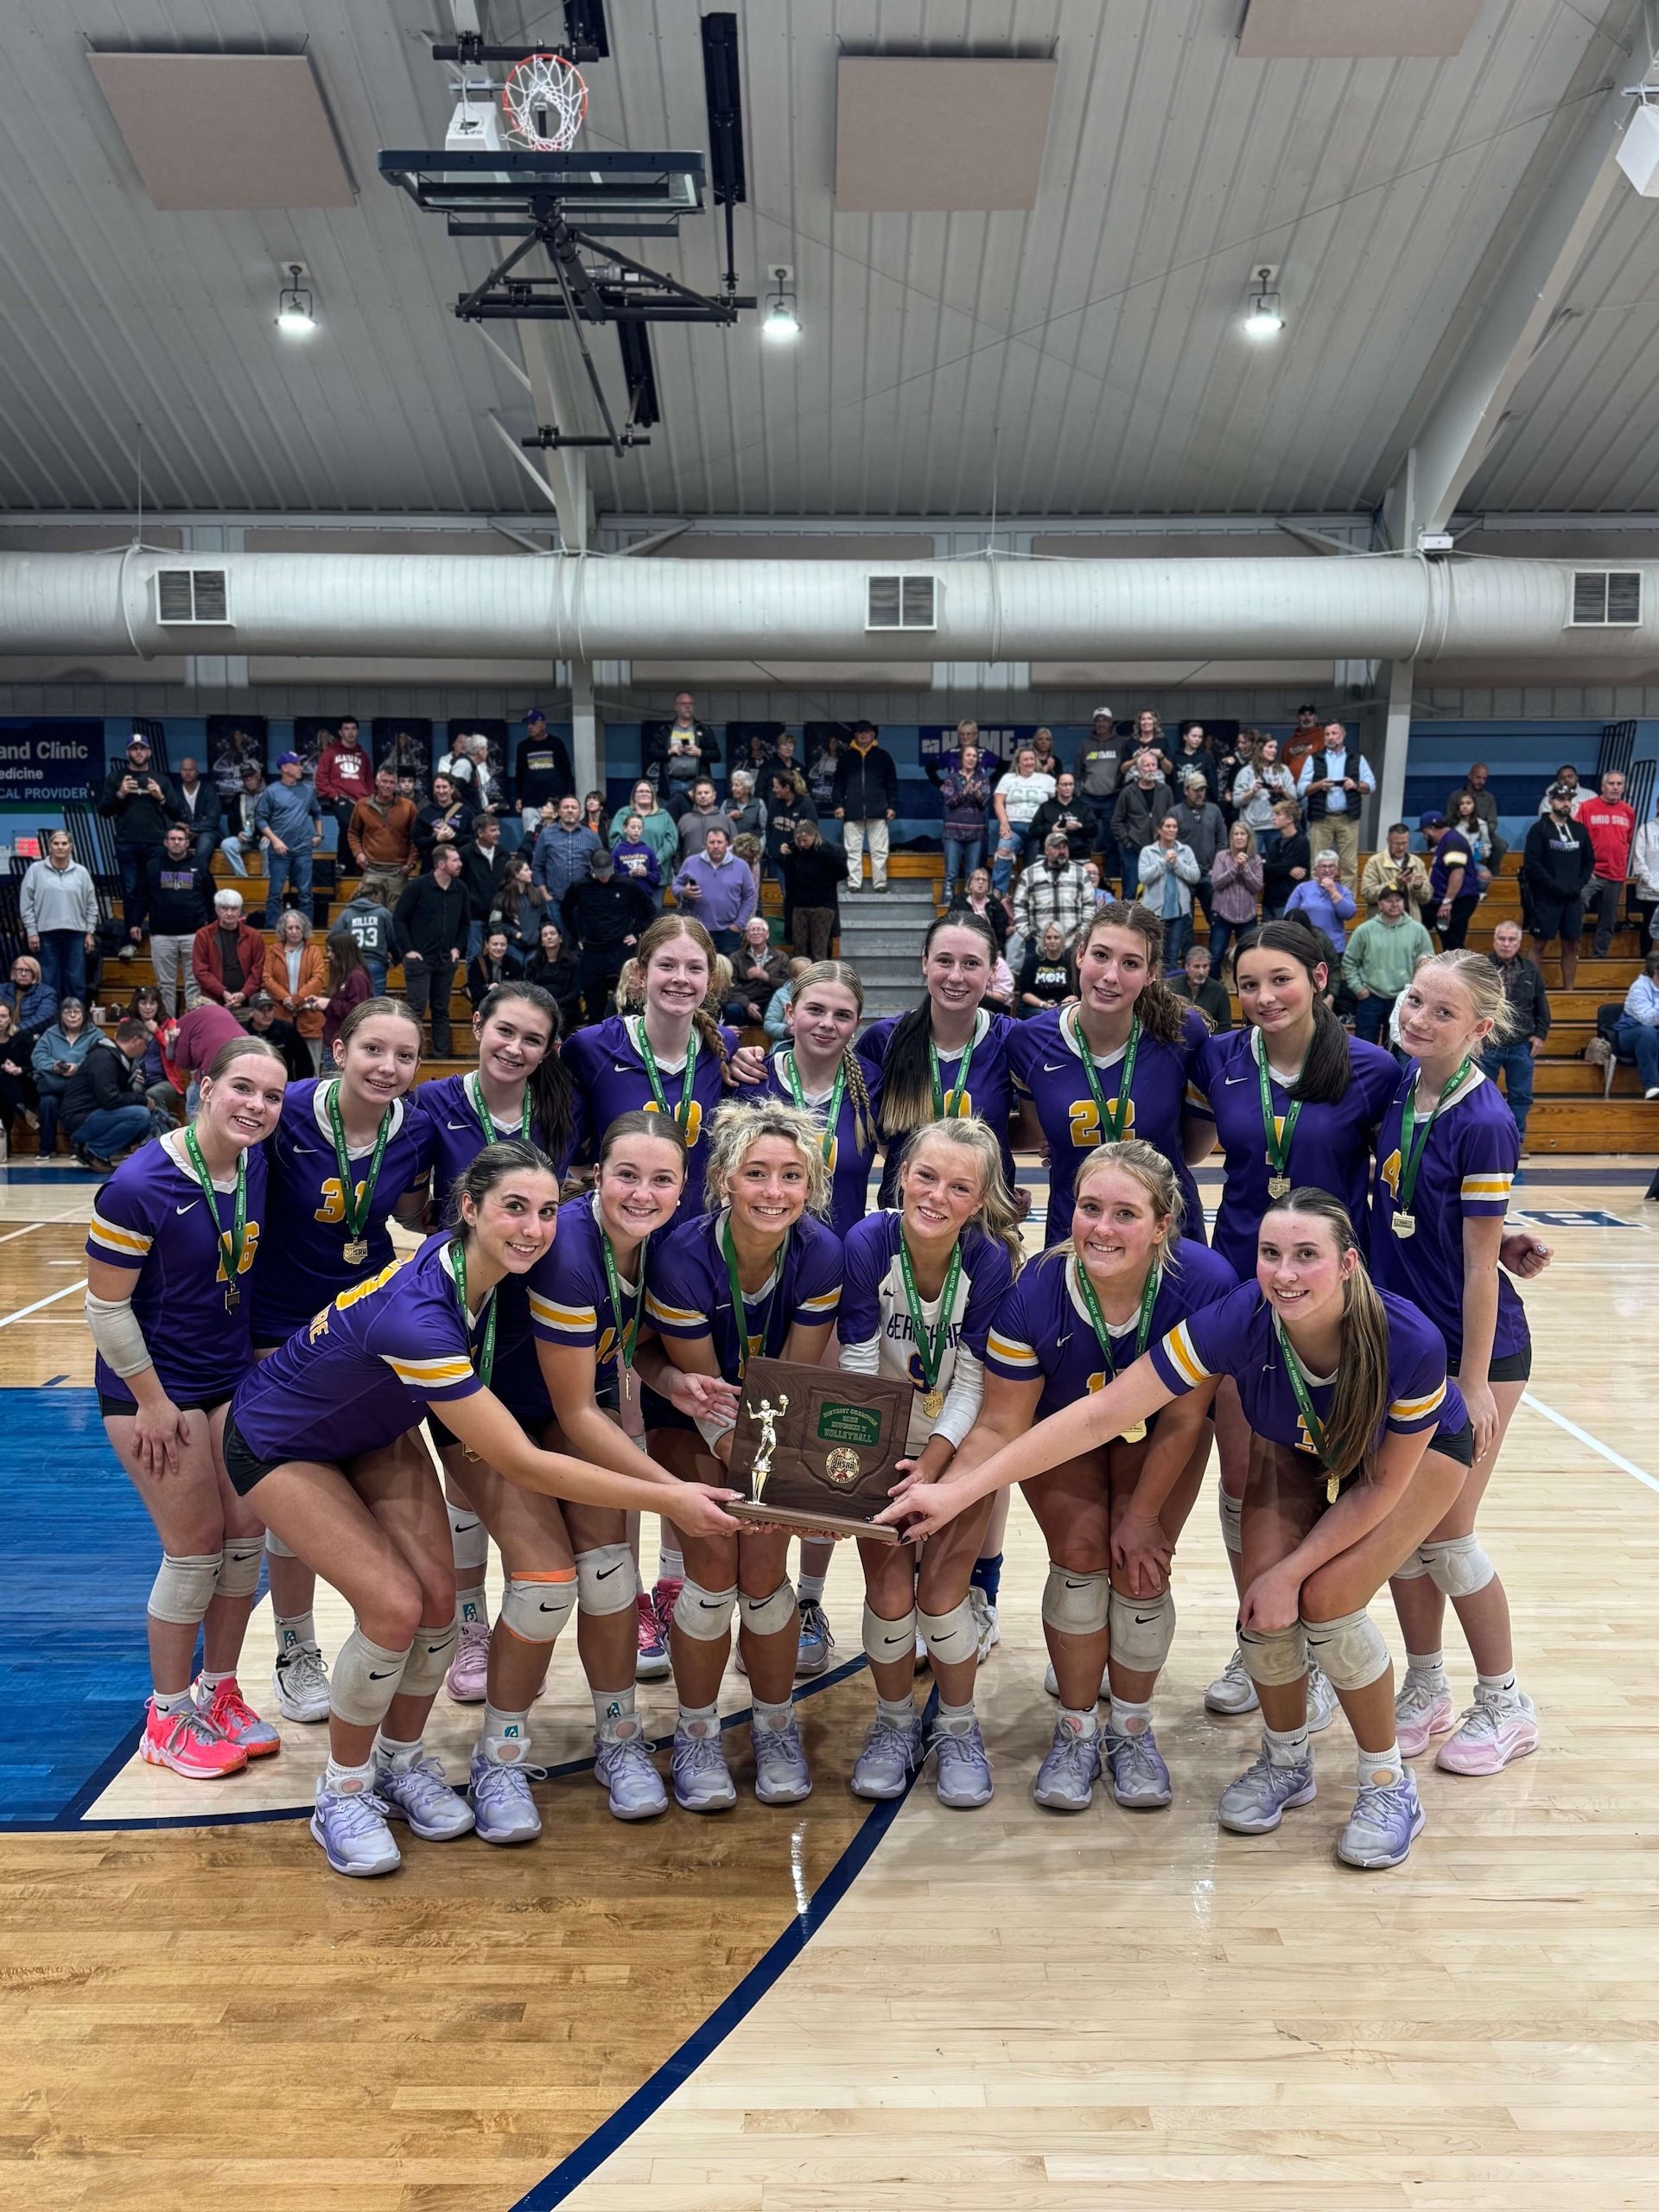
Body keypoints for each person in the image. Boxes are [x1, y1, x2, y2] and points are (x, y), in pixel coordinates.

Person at [892, 1188, 1475, 1872]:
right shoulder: (1237, 1319)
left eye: (1306, 1256)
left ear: (1348, 1265)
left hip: (1413, 1461)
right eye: (1270, 1254)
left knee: (1328, 1604)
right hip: (1292, 1446)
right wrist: (959, 1490)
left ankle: (1387, 1783)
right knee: (1262, 1614)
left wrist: (1294, 1572)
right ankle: (1288, 1761)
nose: (1284, 1272)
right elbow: (1099, 1415)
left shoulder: (1411, 1340)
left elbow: (1378, 1486)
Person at [227, 1139, 738, 1875]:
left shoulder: (475, 1261)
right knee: (395, 1608)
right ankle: (341, 1790)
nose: (532, 1227)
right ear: (468, 1209)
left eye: (542, 1211)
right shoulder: (420, 1319)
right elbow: (521, 1460)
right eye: (512, 1210)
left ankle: (401, 1763)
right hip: (280, 1439)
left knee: (439, 1610)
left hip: (375, 1427)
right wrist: (669, 1497)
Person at [444, 1114, 719, 1833]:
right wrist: (669, 1492)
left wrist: (668, 1381)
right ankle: (498, 1757)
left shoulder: (652, 1247)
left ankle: (618, 1739)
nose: (643, 1191)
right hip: (491, 1419)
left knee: (610, 1576)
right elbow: (575, 1407)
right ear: (597, 1174)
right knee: (542, 1586)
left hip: (567, 1419)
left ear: (684, 1188)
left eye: (662, 1179)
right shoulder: (568, 1248)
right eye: (627, 1174)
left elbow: (626, 1354)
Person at [969, 1141, 1238, 1808]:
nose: (1103, 1229)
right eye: (1090, 1209)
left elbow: (1183, 1422)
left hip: (1162, 1435)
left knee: (1141, 1567)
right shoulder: (1035, 1287)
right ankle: (1076, 1729)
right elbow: (1005, 1424)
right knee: (1080, 1559)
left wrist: (1145, 1518)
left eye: (1125, 1214)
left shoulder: (1202, 1281)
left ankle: (1134, 1729)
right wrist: (950, 1489)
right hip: (1065, 1435)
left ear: (1161, 1225)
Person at [1184, 919, 1402, 1718]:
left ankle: (1316, 1637)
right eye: (1249, 984)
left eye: (1280, 979)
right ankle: (1261, 1642)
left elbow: (1406, 1177)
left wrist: (1501, 1230)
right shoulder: (1220, 1058)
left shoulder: (1373, 1071)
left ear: (1318, 979)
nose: (1264, 997)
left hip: (1336, 1301)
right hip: (1244, 1291)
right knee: (1247, 1478)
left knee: (1329, 1472)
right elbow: (1197, 1142)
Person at [85, 1038, 289, 1779]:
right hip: (151, 1391)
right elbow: (105, 1311)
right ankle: (167, 1717)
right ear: (203, 1087)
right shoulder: (138, 1184)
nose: (257, 1107)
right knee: (197, 1544)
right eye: (242, 1088)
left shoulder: (254, 1162)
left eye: (271, 1097)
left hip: (228, 1380)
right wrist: (152, 1400)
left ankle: (221, 1691)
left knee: (245, 1534)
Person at [633, 1100, 842, 1811]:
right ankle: (696, 1731)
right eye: (757, 1173)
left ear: (811, 1183)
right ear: (724, 1178)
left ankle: (775, 1723)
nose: (774, 1191)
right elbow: (707, 1401)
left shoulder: (822, 1253)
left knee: (765, 1570)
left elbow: (794, 1378)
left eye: (790, 1175)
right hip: (691, 1419)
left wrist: (775, 1488)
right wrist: (748, 1490)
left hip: (776, 1418)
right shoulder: (681, 1255)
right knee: (716, 1567)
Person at [1371, 951, 1540, 1776]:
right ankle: (1428, 1685)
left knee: (1448, 1532)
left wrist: (1473, 1383)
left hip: (1477, 1351)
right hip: (1406, 1348)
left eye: (1442, 1013)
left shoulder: (1484, 1119)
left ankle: (1506, 1702)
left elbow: (1481, 1267)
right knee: (1404, 1535)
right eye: (1414, 1000)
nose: (1418, 1019)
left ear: (1480, 1030)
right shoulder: (1405, 1085)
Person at [250, 997, 438, 1723]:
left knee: (380, 1468)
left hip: (368, 1325)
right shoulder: (287, 1112)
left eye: (404, 1056)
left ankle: (400, 1630)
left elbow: (418, 1211)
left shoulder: (415, 1128)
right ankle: (296, 1645)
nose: (388, 1068)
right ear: (339, 1051)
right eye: (373, 1051)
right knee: (291, 1489)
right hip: (281, 1320)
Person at [839, 1120, 1022, 1807]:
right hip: (880, 1434)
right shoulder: (867, 1242)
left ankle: (957, 1726)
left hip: (962, 1440)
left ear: (979, 1201)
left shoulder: (990, 1257)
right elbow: (859, 1361)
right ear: (901, 1174)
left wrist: (939, 1463)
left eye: (959, 1186)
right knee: (889, 1596)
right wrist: (885, 1456)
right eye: (926, 1176)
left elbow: (975, 1379)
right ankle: (891, 1726)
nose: (937, 1194)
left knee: (943, 1596)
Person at [1008, 901, 1212, 1249]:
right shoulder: (1029, 1042)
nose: (1111, 975)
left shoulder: (1183, 1034)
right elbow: (1036, 1132)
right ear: (1080, 955)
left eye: (1130, 963)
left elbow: (1191, 1152)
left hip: (1168, 1238)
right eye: (1101, 955)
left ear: (1150, 974)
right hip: (1076, 1238)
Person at [858, 912, 1020, 1211]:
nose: (956, 976)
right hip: (902, 1222)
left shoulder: (1013, 1039)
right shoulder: (883, 1040)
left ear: (993, 970)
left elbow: (1033, 1129)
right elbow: (878, 1135)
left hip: (985, 1223)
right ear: (925, 962)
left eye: (971, 963)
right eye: (944, 961)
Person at [762, 960, 880, 1241]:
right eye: (815, 1010)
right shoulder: (754, 1080)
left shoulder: (873, 1084)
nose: (827, 1023)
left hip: (845, 1264)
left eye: (842, 1015)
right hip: (761, 1263)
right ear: (790, 1012)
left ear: (856, 1024)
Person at [99, 733, 181, 957]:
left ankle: (158, 936)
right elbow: (104, 810)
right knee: (130, 891)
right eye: (134, 749)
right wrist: (120, 794)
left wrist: (161, 797)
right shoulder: (116, 777)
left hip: (155, 844)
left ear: (149, 752)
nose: (138, 752)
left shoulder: (160, 779)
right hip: (127, 844)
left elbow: (177, 812)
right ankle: (129, 941)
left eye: (142, 748)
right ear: (127, 753)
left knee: (157, 890)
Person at [563, 849, 657, 1023]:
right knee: (593, 1002)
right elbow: (565, 911)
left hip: (619, 948)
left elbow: (649, 910)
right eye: (600, 873)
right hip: (592, 950)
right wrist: (577, 937)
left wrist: (637, 934)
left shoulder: (626, 884)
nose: (604, 877)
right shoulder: (580, 886)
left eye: (607, 872)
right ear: (592, 868)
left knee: (625, 999)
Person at [391, 846, 468, 1055]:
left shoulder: (460, 889)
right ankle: (408, 1053)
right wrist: (408, 950)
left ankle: (441, 1055)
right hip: (419, 959)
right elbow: (398, 918)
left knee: (441, 1009)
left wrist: (457, 947)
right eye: (455, 860)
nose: (459, 863)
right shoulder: (418, 886)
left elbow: (465, 924)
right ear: (441, 863)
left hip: (445, 960)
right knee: (416, 1009)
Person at [1480, 920, 1548, 1149]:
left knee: (1521, 1096)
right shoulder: (1482, 968)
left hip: (1521, 1044)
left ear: (1519, 943)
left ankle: (1515, 1141)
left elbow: (1542, 1006)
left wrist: (1540, 1034)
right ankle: (1485, 1140)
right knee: (1482, 1093)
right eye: (1502, 939)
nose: (1506, 944)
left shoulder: (1530, 969)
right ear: (1494, 940)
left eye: (1512, 940)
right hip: (1488, 1042)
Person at [1342, 887, 1433, 1047]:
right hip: (1370, 998)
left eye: (1398, 900)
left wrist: (1415, 993)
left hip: (1404, 999)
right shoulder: (1364, 930)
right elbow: (1349, 962)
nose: (1394, 904)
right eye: (1389, 901)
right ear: (1380, 904)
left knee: (1397, 1048)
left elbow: (1428, 964)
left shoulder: (1418, 930)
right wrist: (1358, 989)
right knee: (1363, 1047)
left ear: (1403, 903)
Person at [1522, 783, 1594, 988]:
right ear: (1551, 801)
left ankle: (1569, 991)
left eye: (1569, 800)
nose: (1566, 803)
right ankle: (1531, 992)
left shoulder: (1579, 830)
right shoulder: (1539, 829)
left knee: (1572, 944)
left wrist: (1579, 884)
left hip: (1572, 897)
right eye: (1561, 799)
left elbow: (1589, 860)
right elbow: (1532, 864)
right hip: (1546, 898)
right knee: (1538, 943)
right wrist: (1553, 886)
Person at [60, 1018, 157, 1168]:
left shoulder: (116, 1058)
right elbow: (109, 1099)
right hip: (79, 1119)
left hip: (91, 1114)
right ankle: (94, 1151)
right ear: (135, 1040)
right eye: (146, 1043)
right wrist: (142, 1100)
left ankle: (108, 1149)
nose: (146, 1049)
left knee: (146, 1115)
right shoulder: (104, 1058)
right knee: (140, 1114)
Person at [21, 830, 99, 1007]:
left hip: (76, 934)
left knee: (76, 981)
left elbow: (91, 905)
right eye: (56, 843)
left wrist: (90, 931)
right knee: (48, 982)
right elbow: (26, 904)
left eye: (64, 843)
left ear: (71, 847)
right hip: (45, 934)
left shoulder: (81, 872)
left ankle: (76, 1020)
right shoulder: (35, 870)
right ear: (49, 847)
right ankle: (49, 1022)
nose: (60, 847)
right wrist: (31, 932)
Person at [1294, 721, 1374, 892]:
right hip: (1321, 819)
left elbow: (1371, 785)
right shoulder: (1313, 758)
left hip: (1348, 818)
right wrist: (1319, 785)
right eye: (1327, 734)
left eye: (1334, 733)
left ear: (1343, 734)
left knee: (1349, 867)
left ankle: (1347, 907)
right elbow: (1301, 789)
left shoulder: (1357, 758)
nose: (1330, 737)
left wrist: (1355, 784)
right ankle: (1317, 901)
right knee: (1317, 866)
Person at [256, 752, 323, 930]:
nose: (301, 767)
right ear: (285, 768)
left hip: (303, 849)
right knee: (275, 894)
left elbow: (317, 812)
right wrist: (274, 840)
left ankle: (306, 930)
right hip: (279, 851)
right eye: (297, 764)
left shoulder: (307, 790)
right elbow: (260, 819)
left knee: (306, 894)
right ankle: (271, 930)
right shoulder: (271, 791)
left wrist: (319, 835)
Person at [832, 720, 899, 893]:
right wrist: (838, 804)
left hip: (878, 811)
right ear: (855, 735)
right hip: (851, 811)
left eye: (867, 732)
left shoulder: (883, 756)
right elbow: (838, 783)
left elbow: (891, 783)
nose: (863, 735)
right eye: (860, 732)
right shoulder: (846, 757)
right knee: (852, 851)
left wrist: (892, 805)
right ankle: (854, 884)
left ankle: (880, 884)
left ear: (873, 735)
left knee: (879, 851)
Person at [671, 823, 758, 957]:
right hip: (697, 930)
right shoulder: (691, 862)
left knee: (728, 973)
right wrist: (684, 891)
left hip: (729, 933)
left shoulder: (741, 866)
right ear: (705, 844)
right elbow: (676, 886)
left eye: (719, 842)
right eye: (712, 842)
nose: (716, 846)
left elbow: (750, 896)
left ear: (727, 844)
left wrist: (739, 924)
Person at [1578, 769, 1636, 960]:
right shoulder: (1587, 807)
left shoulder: (1628, 811)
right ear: (1603, 787)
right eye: (1611, 783)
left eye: (1619, 784)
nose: (1615, 787)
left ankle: (1600, 957)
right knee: (1577, 908)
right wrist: (1585, 868)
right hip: (1591, 873)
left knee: (1608, 920)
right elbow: (1578, 839)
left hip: (1616, 874)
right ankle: (1572, 951)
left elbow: (1626, 840)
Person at [258, 909, 326, 1070]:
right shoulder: (273, 951)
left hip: (308, 1015)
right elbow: (266, 978)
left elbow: (318, 978)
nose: (294, 932)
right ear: (283, 929)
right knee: (280, 1065)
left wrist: (297, 999)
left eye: (298, 928)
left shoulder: (314, 951)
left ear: (304, 929)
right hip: (282, 1013)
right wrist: (285, 998)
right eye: (290, 928)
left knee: (311, 1067)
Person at [31, 995, 97, 1154]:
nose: (72, 1016)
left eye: (76, 1012)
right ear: (61, 1016)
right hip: (54, 1083)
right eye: (67, 1012)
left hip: (81, 1087)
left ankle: (79, 1146)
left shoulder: (96, 1034)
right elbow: (37, 1056)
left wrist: (78, 1068)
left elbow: (98, 1058)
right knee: (47, 1103)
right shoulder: (50, 1034)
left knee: (82, 1105)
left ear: (84, 1014)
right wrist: (53, 1066)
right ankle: (47, 1147)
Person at [1135, 814, 1202, 969]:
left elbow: (1195, 876)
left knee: (1172, 956)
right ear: (1159, 830)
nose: (1172, 829)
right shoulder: (1148, 851)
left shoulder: (1185, 851)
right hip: (1154, 913)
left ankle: (1167, 992)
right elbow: (1144, 877)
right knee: (1154, 955)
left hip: (1179, 913)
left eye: (1174, 827)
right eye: (1168, 826)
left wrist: (1177, 864)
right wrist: (1164, 862)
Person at [1013, 829, 1093, 952]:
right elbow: (1019, 905)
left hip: (1072, 943)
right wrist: (1027, 934)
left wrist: (1081, 934)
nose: (1062, 851)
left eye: (1064, 847)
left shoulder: (1080, 873)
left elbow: (1090, 906)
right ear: (1046, 850)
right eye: (1057, 847)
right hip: (1038, 943)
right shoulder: (1029, 874)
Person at [348, 766, 420, 902]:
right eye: (384, 781)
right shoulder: (362, 805)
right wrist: (358, 853)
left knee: (395, 916)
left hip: (398, 871)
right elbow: (353, 833)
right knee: (370, 913)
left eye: (392, 782)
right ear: (377, 782)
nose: (388, 786)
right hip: (371, 869)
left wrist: (410, 864)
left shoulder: (408, 806)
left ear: (396, 785)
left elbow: (416, 838)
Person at [1109, 752, 1175, 899]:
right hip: (1134, 852)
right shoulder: (1127, 792)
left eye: (1153, 765)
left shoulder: (1166, 791)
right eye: (1146, 765)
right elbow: (1116, 821)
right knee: (1130, 894)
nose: (1151, 769)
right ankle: (1129, 922)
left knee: (1161, 895)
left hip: (1160, 851)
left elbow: (1172, 819)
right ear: (1139, 770)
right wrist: (1127, 842)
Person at [777, 818, 841, 961]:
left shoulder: (828, 851)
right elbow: (789, 879)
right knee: (800, 953)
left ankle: (819, 981)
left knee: (819, 952)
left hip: (822, 906)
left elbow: (838, 874)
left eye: (805, 840)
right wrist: (785, 855)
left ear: (814, 836)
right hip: (799, 906)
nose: (802, 844)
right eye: (799, 840)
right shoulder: (793, 850)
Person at [939, 739, 993, 901]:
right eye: (968, 755)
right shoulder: (951, 778)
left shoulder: (983, 778)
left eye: (974, 756)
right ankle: (947, 907)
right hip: (953, 832)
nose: (971, 758)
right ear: (962, 758)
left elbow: (984, 803)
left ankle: (970, 907)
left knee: (972, 874)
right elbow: (949, 801)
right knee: (951, 874)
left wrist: (976, 793)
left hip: (976, 833)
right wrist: (965, 791)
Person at [649, 690, 719, 815]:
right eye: (683, 704)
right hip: (672, 781)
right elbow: (652, 754)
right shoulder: (665, 730)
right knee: (672, 816)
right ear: (676, 706)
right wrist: (670, 751)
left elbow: (717, 755)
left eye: (690, 704)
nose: (687, 706)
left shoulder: (704, 729)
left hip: (696, 782)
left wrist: (700, 752)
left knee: (698, 815)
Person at [1424, 810, 1484, 951]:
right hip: (1450, 900)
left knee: (1453, 944)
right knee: (1448, 941)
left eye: (1425, 832)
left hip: (1458, 901)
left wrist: (1447, 901)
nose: (1425, 836)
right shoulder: (1447, 841)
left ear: (1432, 828)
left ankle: (1456, 972)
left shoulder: (1453, 842)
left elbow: (1457, 872)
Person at [1208, 822, 1262, 977]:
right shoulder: (1221, 857)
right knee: (1215, 956)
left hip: (1247, 916)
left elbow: (1256, 886)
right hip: (1222, 913)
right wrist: (1235, 868)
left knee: (1250, 957)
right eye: (1236, 834)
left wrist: (1245, 868)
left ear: (1248, 837)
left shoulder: (1256, 859)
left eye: (1242, 834)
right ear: (1231, 838)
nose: (1239, 837)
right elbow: (1216, 883)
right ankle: (1214, 992)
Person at [531, 793, 603, 905]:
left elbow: (601, 868)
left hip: (584, 900)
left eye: (574, 808)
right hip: (554, 899)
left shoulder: (592, 837)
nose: (570, 810)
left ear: (580, 812)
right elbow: (537, 867)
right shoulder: (546, 834)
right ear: (559, 812)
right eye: (566, 807)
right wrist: (545, 895)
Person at [314, 719, 374, 849]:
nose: (350, 732)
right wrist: (335, 796)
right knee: (348, 825)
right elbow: (320, 778)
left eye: (353, 728)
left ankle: (357, 863)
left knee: (365, 829)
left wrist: (370, 798)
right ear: (340, 732)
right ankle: (343, 863)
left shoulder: (362, 755)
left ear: (357, 731)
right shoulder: (330, 753)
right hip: (341, 798)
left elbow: (369, 780)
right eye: (346, 729)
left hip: (362, 800)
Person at [1285, 848, 1356, 953]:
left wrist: (1333, 892)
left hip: (1334, 948)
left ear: (1337, 870)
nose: (1327, 870)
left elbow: (1348, 914)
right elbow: (1289, 915)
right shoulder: (1302, 888)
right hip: (1307, 946)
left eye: (1331, 866)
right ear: (1316, 869)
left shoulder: (1343, 891)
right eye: (1323, 866)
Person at [1028, 770, 1098, 872]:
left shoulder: (1083, 807)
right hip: (1049, 855)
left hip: (1078, 856)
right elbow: (1033, 831)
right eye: (1064, 784)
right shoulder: (1046, 807)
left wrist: (1080, 827)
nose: (1068, 788)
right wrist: (1051, 829)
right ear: (1057, 787)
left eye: (1071, 784)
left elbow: (1094, 831)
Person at [1361, 823, 1433, 923]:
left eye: (1405, 843)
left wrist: (1419, 887)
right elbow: (1368, 895)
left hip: (1410, 923)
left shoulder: (1417, 862)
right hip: (1382, 925)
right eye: (1397, 843)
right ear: (1388, 841)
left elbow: (1426, 898)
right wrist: (1395, 884)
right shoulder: (1375, 862)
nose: (1401, 847)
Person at [333, 881, 394, 996]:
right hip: (376, 962)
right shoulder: (383, 913)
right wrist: (396, 959)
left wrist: (341, 959)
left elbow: (333, 939)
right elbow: (394, 939)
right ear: (377, 895)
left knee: (354, 1002)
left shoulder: (346, 913)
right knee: (376, 1005)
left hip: (352, 964)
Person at [610, 778, 679, 880]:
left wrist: (655, 860)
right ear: (634, 795)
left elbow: (671, 841)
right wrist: (629, 861)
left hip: (657, 874)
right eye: (641, 791)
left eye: (648, 791)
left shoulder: (664, 815)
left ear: (653, 796)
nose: (644, 794)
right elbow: (614, 840)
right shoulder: (623, 814)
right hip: (627, 874)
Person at [726, 917, 790, 1027]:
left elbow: (787, 985)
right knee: (732, 1009)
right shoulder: (736, 957)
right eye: (752, 930)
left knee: (781, 1008)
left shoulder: (781, 957)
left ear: (767, 935)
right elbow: (732, 986)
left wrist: (767, 978)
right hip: (745, 1001)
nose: (755, 933)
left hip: (771, 1001)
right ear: (747, 935)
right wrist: (747, 1004)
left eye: (759, 929)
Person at [1231, 733, 1296, 838]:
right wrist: (1253, 791)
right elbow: (1236, 802)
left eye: (1275, 747)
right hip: (1253, 828)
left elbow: (1294, 798)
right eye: (1270, 747)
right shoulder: (1246, 771)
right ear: (1260, 749)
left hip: (1277, 827)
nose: (1274, 751)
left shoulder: (1283, 770)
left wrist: (1282, 791)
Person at [514, 707, 575, 818]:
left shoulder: (556, 743)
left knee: (554, 835)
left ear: (543, 724)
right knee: (530, 834)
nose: (530, 727)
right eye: (527, 724)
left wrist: (568, 796)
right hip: (530, 801)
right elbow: (519, 774)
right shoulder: (522, 747)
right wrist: (518, 796)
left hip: (553, 801)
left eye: (533, 723)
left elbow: (566, 772)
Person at [321, 932, 372, 1061]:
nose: (329, 955)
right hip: (333, 1040)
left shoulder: (357, 977)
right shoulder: (343, 975)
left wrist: (329, 1004)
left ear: (342, 951)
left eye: (332, 951)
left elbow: (358, 1011)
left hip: (345, 1044)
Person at [524, 920, 582, 1035]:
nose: (549, 937)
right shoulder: (533, 964)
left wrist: (555, 1004)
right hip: (539, 1007)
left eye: (552, 933)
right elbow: (528, 989)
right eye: (545, 935)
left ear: (560, 938)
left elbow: (576, 992)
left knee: (556, 1020)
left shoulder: (573, 962)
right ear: (542, 942)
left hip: (565, 1008)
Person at [1446, 761, 1506, 868]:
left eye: (1484, 779)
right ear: (1470, 776)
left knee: (1500, 845)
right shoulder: (1455, 796)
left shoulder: (1489, 798)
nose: (1481, 781)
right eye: (1478, 777)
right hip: (1460, 831)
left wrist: (1482, 833)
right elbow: (1449, 820)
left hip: (1484, 832)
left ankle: (1492, 876)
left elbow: (1493, 822)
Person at [1259, 798, 1309, 920]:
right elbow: (1270, 870)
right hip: (1269, 900)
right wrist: (1287, 869)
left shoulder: (1301, 842)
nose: (1273, 818)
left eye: (1278, 815)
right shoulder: (1273, 844)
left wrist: (1268, 865)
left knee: (1283, 937)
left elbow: (1280, 868)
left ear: (1290, 819)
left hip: (1288, 900)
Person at [1618, 951, 1659, 1098]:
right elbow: (1647, 1019)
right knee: (1647, 1033)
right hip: (1631, 1033)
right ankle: (1651, 1086)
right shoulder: (1639, 988)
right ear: (1656, 972)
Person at [414, 772, 476, 870]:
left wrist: (454, 836)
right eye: (437, 787)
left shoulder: (466, 812)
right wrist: (436, 839)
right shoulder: (425, 813)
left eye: (444, 787)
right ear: (434, 790)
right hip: (431, 867)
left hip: (459, 868)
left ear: (451, 789)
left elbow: (474, 840)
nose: (441, 791)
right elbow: (417, 842)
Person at [219, 765, 268, 879]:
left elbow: (278, 817)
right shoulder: (239, 796)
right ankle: (243, 879)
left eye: (251, 777)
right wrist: (238, 832)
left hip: (264, 837)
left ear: (258, 776)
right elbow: (233, 819)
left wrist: (271, 834)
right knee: (227, 845)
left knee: (270, 846)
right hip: (246, 837)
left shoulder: (269, 793)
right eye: (246, 779)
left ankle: (267, 882)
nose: (249, 781)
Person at [0, 1002, 36, 1156]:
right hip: (9, 1092)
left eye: (3, 1016)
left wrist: (18, 1070)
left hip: (21, 1084)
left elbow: (34, 1066)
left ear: (10, 1019)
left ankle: (3, 1146)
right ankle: (23, 1111)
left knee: (3, 1084)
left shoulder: (23, 1038)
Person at [1017, 921, 1074, 1015]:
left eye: (1056, 937)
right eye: (1048, 938)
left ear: (1062, 940)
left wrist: (1060, 1006)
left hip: (1062, 1008)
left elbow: (1074, 995)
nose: (1052, 941)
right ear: (1043, 940)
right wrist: (1043, 1004)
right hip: (1036, 1007)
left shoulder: (1069, 962)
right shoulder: (1031, 961)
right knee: (1043, 1015)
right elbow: (1025, 994)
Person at [1170, 943, 1231, 1030]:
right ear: (1187, 967)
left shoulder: (1219, 990)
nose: (1201, 972)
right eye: (1197, 967)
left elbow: (1224, 1027)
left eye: (1205, 966)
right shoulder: (1172, 986)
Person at [673, 779, 735, 861]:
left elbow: (735, 849)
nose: (703, 796)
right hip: (691, 872)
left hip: (721, 871)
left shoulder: (726, 820)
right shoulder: (685, 820)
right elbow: (677, 851)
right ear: (694, 796)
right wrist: (680, 871)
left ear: (714, 795)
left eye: (706, 793)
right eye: (699, 793)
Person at [466, 928, 525, 1009]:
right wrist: (489, 989)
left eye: (503, 944)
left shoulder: (514, 964)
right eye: (495, 944)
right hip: (484, 1009)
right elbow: (474, 995)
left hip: (509, 1008)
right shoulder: (476, 964)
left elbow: (520, 990)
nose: (499, 948)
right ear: (487, 944)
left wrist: (502, 989)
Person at [1631, 791, 1659, 957]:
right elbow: (1639, 861)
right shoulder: (1646, 830)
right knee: (1649, 930)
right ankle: (1646, 968)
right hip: (1649, 893)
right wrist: (1655, 885)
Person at [610, 812, 662, 897]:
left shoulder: (648, 851)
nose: (636, 830)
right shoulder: (617, 851)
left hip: (644, 895)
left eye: (639, 828)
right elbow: (612, 877)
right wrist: (629, 874)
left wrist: (646, 874)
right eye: (633, 827)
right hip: (624, 896)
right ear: (625, 828)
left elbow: (657, 877)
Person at [1281, 703, 1325, 785]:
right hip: (1291, 789)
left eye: (1310, 714)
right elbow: (1283, 768)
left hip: (1314, 789)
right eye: (1303, 715)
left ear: (1316, 718)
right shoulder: (1289, 743)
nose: (1307, 718)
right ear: (1298, 718)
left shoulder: (1323, 737)